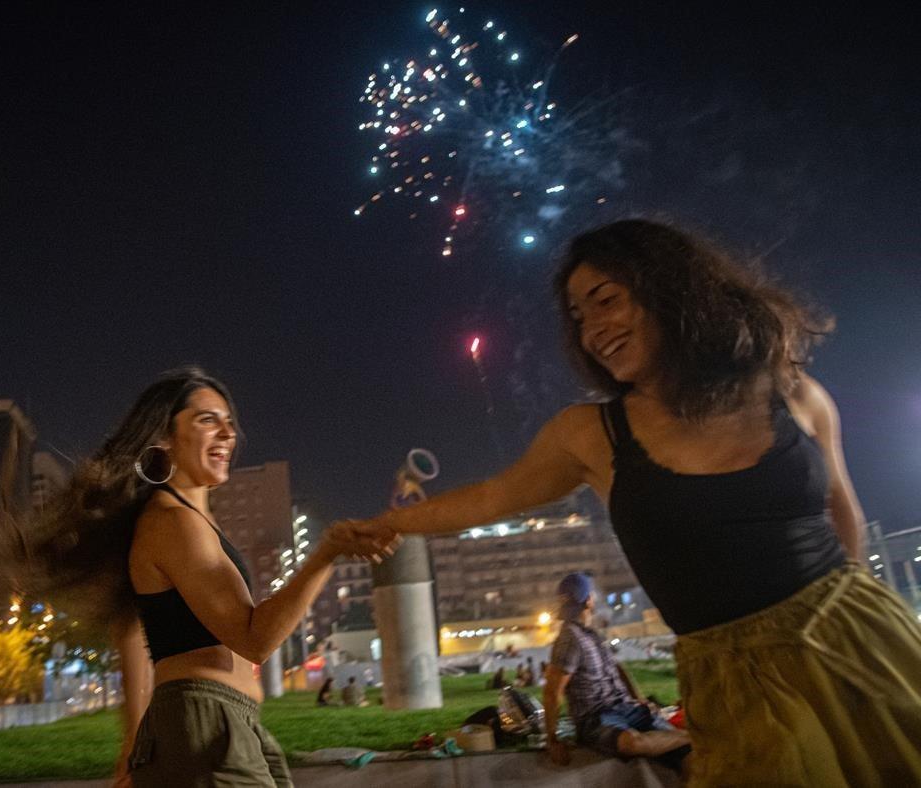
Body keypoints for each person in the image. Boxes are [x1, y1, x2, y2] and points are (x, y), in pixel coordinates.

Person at [343, 219, 921, 784]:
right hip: (733, 679)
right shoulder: (591, 433)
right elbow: (495, 495)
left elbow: (844, 507)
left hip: (863, 640)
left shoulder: (792, 392)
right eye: (578, 317)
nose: (592, 330)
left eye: (606, 300)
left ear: (671, 290)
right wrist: (390, 523)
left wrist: (851, 595)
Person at [0, 367, 394, 788]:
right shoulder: (174, 522)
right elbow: (254, 638)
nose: (228, 434)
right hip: (208, 726)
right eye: (207, 419)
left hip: (216, 725)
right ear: (163, 437)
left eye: (230, 423)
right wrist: (326, 553)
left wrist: (132, 745)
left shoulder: (185, 520)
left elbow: (131, 631)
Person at [544, 573, 690, 770]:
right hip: (597, 719)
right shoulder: (570, 638)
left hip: (627, 709)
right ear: (588, 601)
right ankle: (695, 737)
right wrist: (552, 740)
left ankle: (692, 741)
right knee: (633, 743)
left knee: (690, 758)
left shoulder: (590, 634)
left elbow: (618, 669)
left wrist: (640, 700)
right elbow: (552, 691)